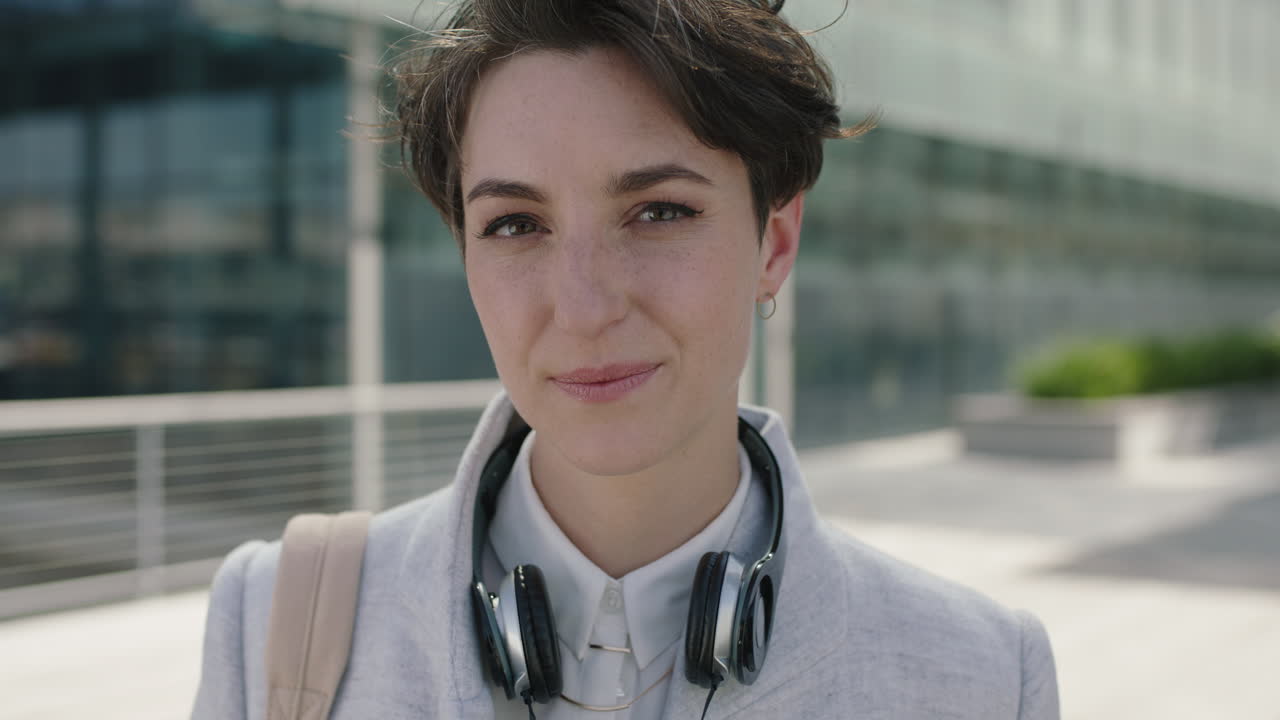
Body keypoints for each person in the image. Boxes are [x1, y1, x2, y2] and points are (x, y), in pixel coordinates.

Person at [191, 0, 1060, 718]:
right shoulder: (280, 624)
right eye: (515, 225)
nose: (586, 306)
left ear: (775, 242)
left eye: (659, 211)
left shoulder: (978, 677)